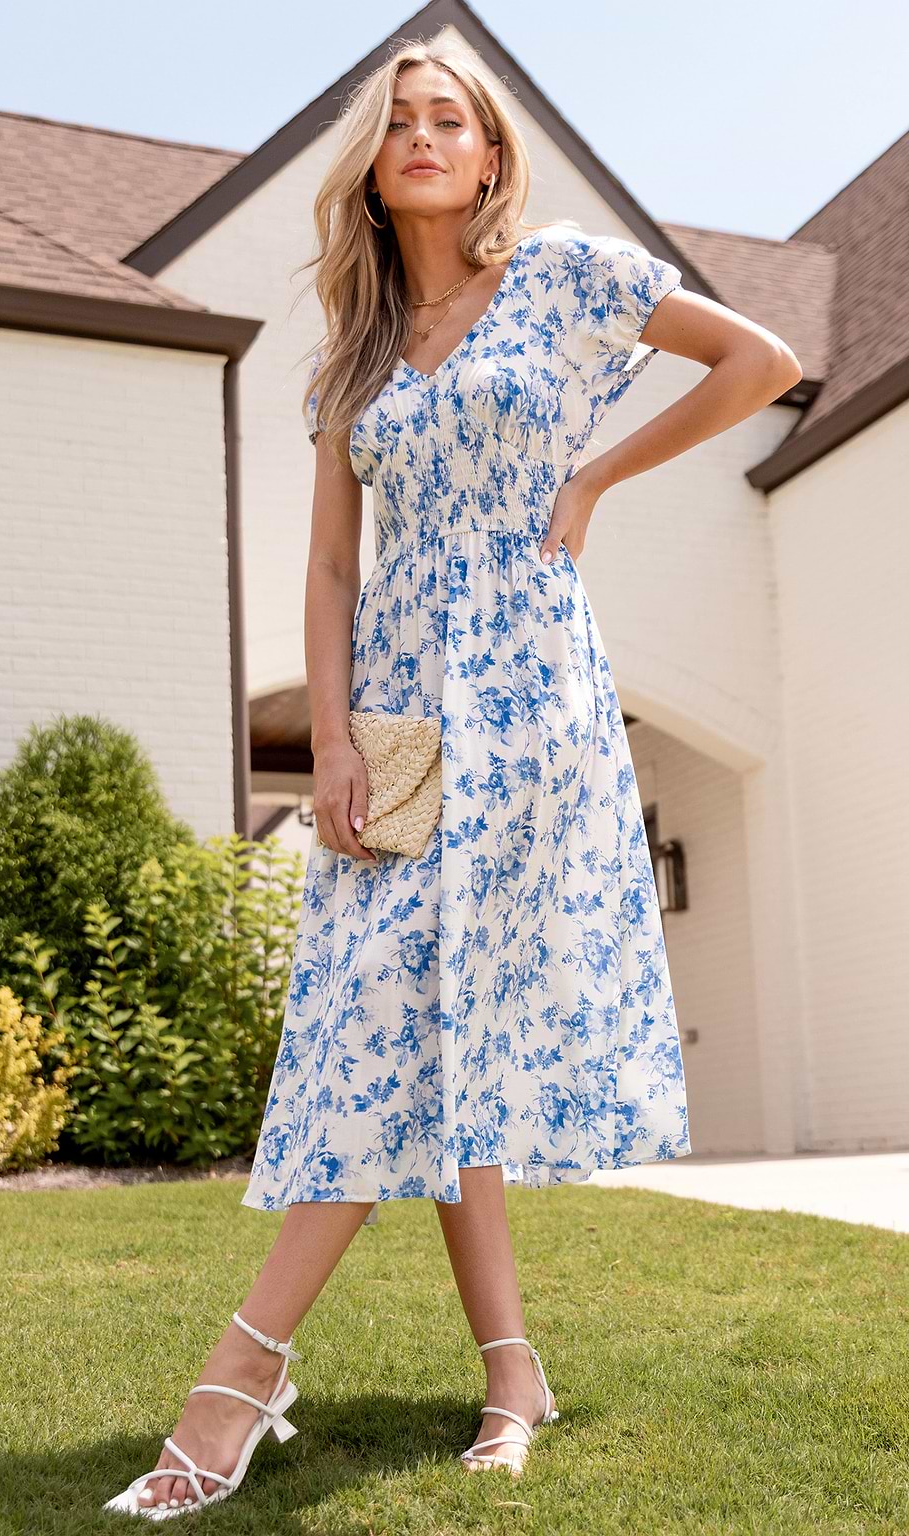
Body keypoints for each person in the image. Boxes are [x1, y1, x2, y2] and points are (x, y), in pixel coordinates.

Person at [104, 36, 802, 1520]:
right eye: (401, 120)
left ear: (489, 158)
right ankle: (512, 1375)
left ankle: (233, 1385)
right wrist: (338, 736)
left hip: (530, 696)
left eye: (452, 119)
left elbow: (766, 362)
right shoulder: (349, 358)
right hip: (409, 716)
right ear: (373, 160)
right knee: (419, 1028)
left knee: (405, 1019)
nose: (424, 136)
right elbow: (332, 561)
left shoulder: (563, 278)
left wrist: (598, 476)